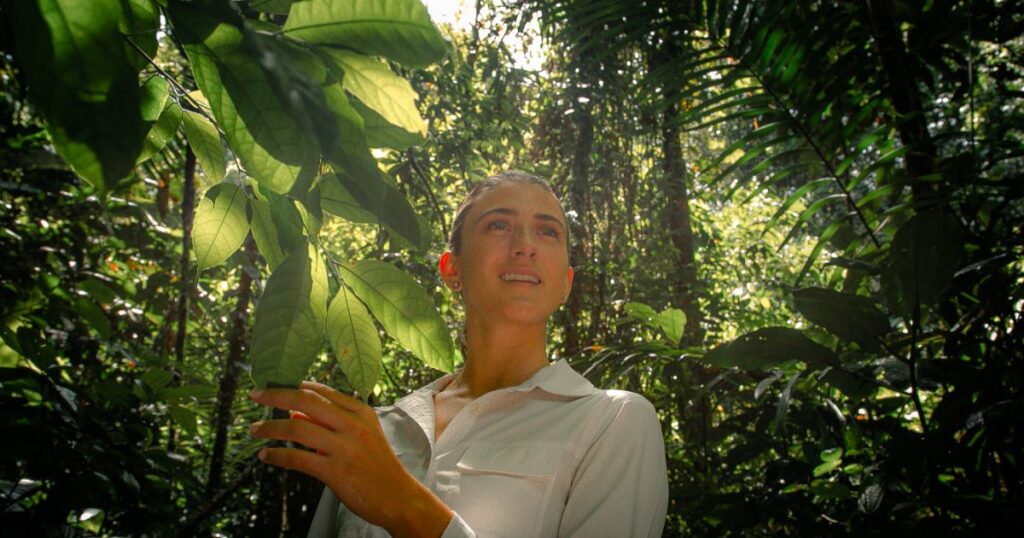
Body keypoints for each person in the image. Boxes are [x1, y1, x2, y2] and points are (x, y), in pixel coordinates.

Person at [249, 172, 668, 537]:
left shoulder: (612, 422)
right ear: (452, 270)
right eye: (499, 225)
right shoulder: (379, 431)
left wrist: (405, 506)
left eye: (548, 231)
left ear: (565, 284)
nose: (525, 246)